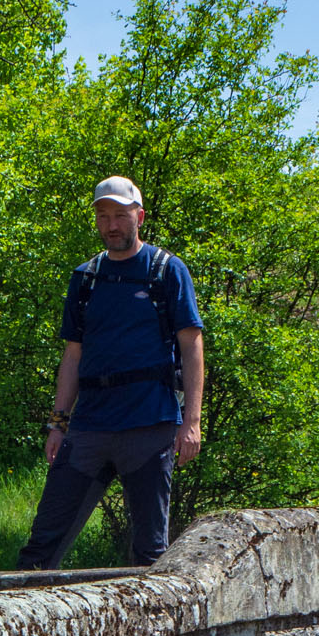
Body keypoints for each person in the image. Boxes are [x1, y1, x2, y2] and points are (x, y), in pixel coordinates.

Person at [16, 176, 204, 569]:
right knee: (41, 549)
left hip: (149, 425)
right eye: (104, 216)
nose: (112, 224)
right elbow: (73, 355)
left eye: (120, 215)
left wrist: (192, 422)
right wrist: (58, 422)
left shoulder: (166, 271)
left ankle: (156, 630)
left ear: (140, 216)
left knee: (150, 554)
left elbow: (191, 345)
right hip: (89, 427)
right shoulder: (85, 278)